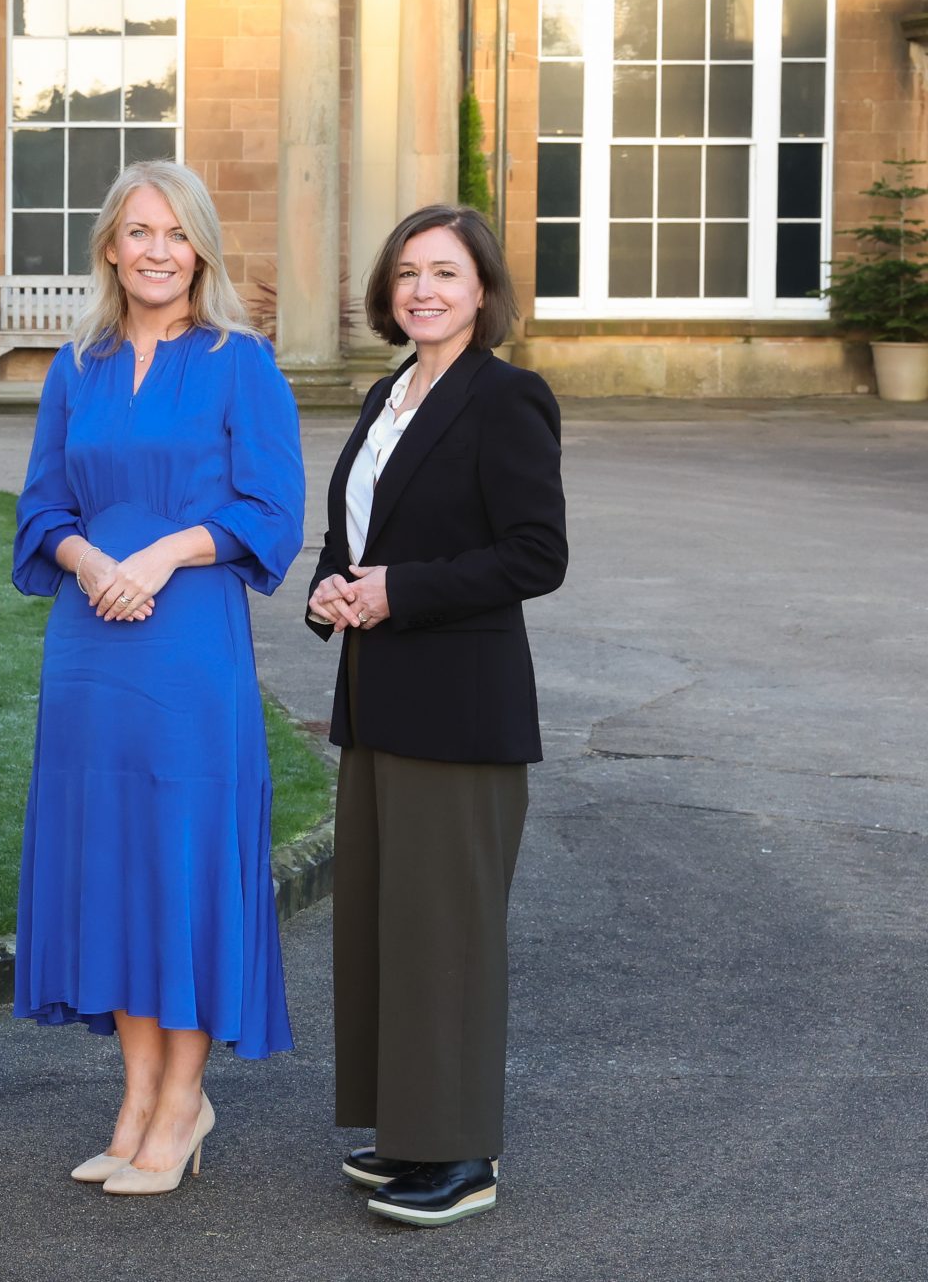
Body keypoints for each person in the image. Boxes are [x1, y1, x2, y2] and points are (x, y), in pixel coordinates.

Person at [11, 158, 304, 1199]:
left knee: (179, 865)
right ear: (109, 246)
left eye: (174, 233)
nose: (155, 250)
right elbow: (40, 510)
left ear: (201, 249)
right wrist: (92, 561)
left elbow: (271, 512)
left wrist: (161, 553)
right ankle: (133, 1100)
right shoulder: (75, 366)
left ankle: (184, 1102)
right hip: (90, 649)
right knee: (116, 869)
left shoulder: (241, 363)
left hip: (187, 647)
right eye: (137, 231)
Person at [306, 205, 566, 1228]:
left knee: (447, 934)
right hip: (377, 704)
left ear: (483, 290)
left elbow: (534, 554)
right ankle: (411, 1126)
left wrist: (396, 591)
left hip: (460, 710)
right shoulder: (388, 393)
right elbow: (357, 530)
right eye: (407, 271)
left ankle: (462, 1151)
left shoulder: (506, 399)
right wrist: (333, 587)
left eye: (445, 272)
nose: (422, 288)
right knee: (388, 927)